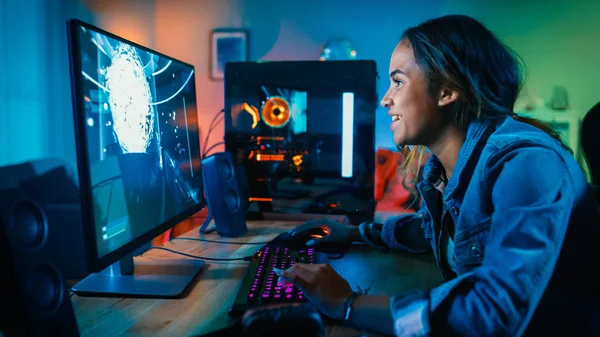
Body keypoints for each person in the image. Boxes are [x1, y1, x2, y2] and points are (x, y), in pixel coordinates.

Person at [273, 14, 600, 337]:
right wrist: (357, 233)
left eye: (398, 81)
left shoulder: (525, 164)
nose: (386, 99)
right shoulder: (445, 172)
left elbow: (492, 314)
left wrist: (347, 304)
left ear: (446, 90)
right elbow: (431, 230)